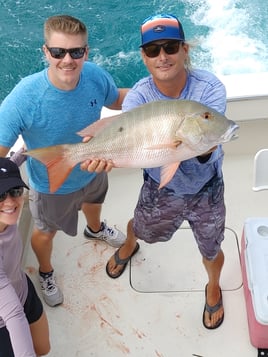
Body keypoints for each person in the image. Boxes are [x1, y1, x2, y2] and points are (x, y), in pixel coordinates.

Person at [104, 14, 226, 330]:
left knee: (211, 247)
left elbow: (208, 140)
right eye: (153, 50)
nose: (163, 56)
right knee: (142, 227)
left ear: (185, 49)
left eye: (170, 47)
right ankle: (130, 243)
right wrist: (104, 156)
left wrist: (203, 146)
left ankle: (213, 286)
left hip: (207, 188)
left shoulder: (210, 89)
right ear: (144, 57)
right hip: (160, 186)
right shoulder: (139, 97)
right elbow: (128, 142)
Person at [0, 14, 128, 307]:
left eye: (76, 52)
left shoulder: (94, 75)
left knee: (95, 202)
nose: (67, 60)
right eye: (58, 52)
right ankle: (46, 271)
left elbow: (116, 99)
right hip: (50, 183)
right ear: (45, 52)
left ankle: (94, 229)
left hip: (95, 167)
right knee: (46, 232)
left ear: (87, 51)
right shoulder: (23, 97)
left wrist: (157, 94)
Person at [0, 157, 50, 357]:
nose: (10, 202)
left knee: (43, 348)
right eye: (0, 195)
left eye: (16, 191)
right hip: (4, 320)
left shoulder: (5, 216)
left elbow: (11, 162)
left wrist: (25, 152)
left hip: (22, 288)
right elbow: (13, 313)